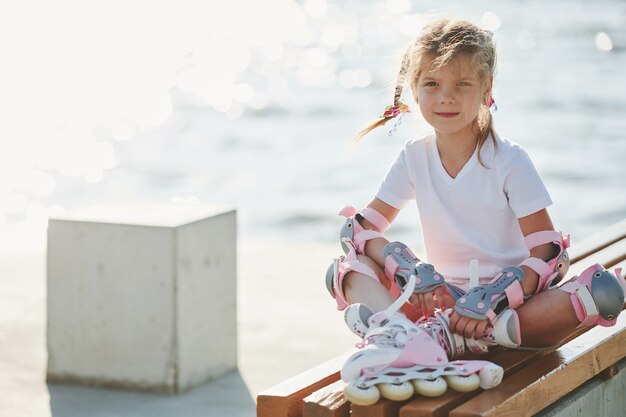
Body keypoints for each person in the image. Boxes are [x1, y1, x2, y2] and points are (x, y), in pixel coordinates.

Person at [326, 19, 625, 404]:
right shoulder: (414, 157)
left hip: (511, 306)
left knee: (603, 292)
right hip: (439, 298)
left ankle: (431, 335)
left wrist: (494, 298)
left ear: (486, 90)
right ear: (414, 90)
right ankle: (416, 334)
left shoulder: (510, 161)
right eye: (432, 84)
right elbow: (359, 231)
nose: (445, 97)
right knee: (344, 270)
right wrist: (406, 265)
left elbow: (550, 251)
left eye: (462, 84)